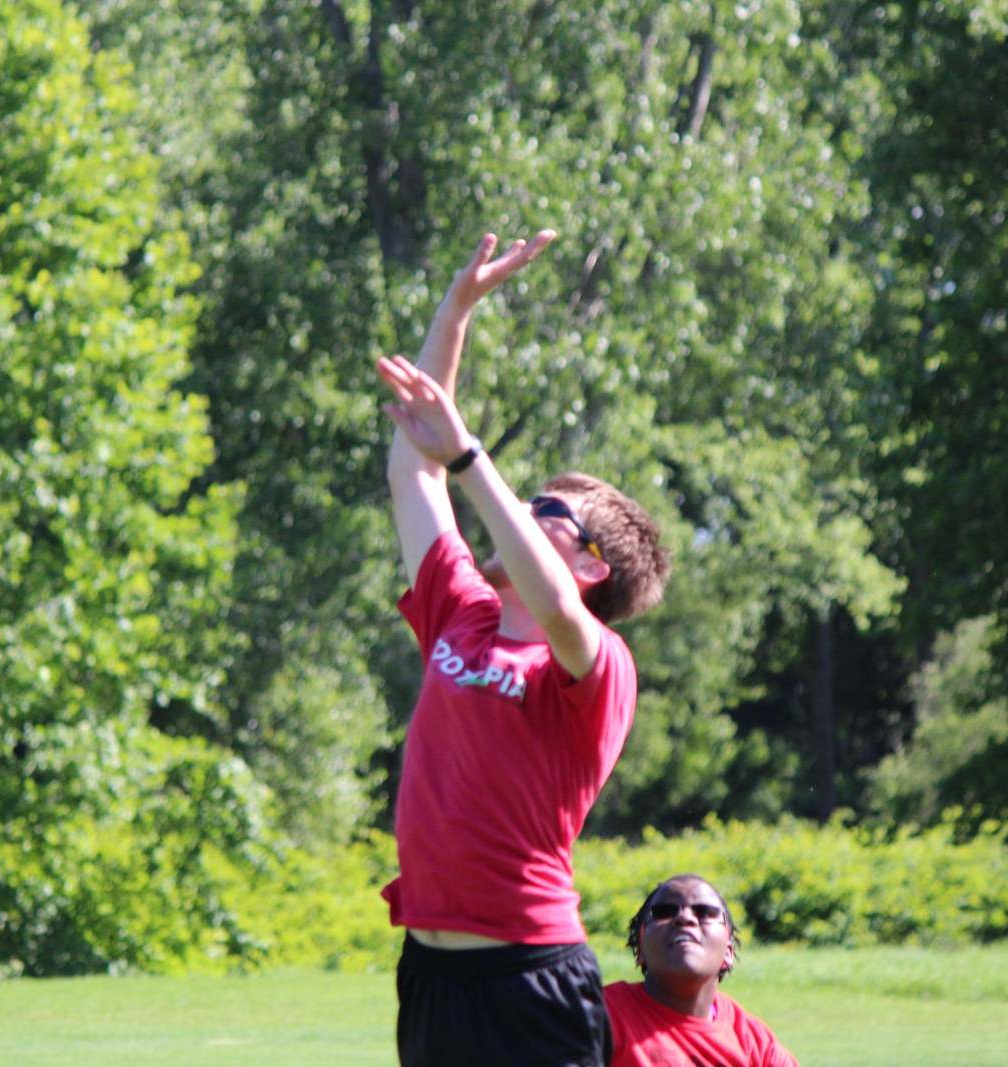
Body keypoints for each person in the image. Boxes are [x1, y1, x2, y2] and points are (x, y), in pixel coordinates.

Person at [376, 230, 673, 1067]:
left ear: (592, 565)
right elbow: (413, 470)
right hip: (431, 973)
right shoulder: (461, 613)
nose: (521, 511)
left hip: (529, 978)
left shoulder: (596, 662)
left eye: (548, 510)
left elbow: (553, 602)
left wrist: (471, 455)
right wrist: (456, 309)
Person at [605, 874, 799, 1067]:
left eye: (705, 912)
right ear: (641, 951)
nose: (684, 918)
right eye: (664, 912)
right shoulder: (602, 1016)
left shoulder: (756, 1045)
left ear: (728, 953)